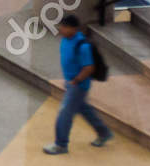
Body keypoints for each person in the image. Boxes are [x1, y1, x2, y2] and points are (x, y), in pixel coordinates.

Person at [42, 15, 113, 154]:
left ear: (73, 29)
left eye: (64, 27)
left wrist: (75, 81)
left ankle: (61, 145)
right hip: (71, 83)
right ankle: (104, 132)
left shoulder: (83, 45)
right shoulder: (65, 40)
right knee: (85, 110)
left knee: (65, 113)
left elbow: (89, 68)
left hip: (78, 86)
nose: (60, 29)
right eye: (61, 26)